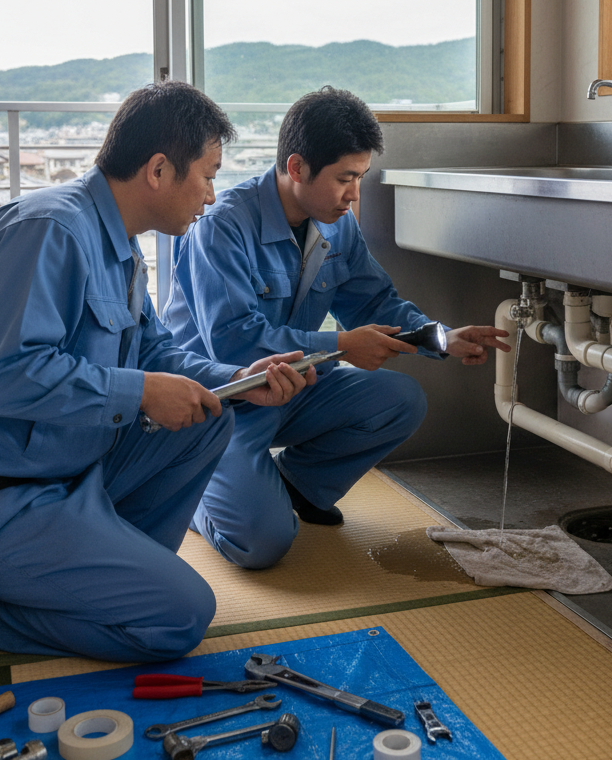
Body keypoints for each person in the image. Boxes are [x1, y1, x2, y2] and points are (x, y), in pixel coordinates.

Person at [0, 81, 314, 661]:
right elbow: (4, 377)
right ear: (159, 170)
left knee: (209, 414)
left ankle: (107, 575)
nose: (213, 196)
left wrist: (241, 377)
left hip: (66, 477)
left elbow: (155, 354)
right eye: (208, 174)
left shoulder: (118, 246)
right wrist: (142, 391)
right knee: (181, 619)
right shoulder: (49, 230)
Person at [163, 86, 509, 570]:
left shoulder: (335, 222)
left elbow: (372, 299)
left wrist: (439, 337)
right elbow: (233, 339)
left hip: (294, 389)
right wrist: (343, 346)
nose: (354, 194)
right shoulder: (222, 227)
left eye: (361, 178)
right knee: (261, 546)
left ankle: (294, 486)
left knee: (399, 400)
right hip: (225, 403)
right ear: (297, 167)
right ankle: (192, 493)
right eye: (345, 178)